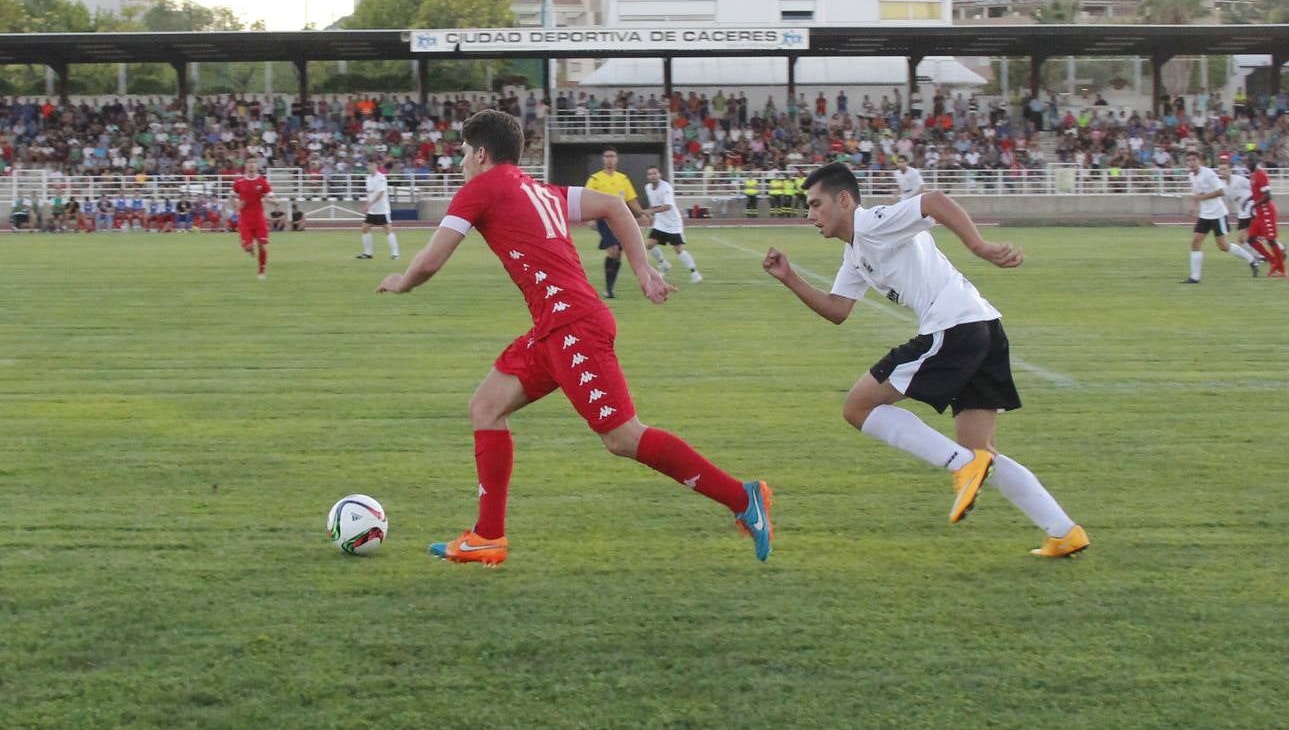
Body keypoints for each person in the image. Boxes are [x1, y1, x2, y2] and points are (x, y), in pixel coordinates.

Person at [377, 110, 771, 566]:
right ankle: (487, 536)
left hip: (573, 328)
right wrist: (642, 270)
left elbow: (430, 260)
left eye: (464, 153)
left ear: (481, 153)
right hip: (554, 328)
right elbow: (613, 206)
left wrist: (403, 281)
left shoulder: (480, 189)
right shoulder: (539, 190)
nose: (462, 162)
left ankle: (743, 497)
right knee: (486, 407)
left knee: (623, 437)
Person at [762, 162, 1088, 558]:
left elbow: (932, 201)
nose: (810, 215)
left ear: (844, 200)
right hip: (983, 327)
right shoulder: (856, 252)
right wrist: (790, 278)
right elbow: (837, 309)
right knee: (981, 451)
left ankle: (958, 465)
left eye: (816, 204)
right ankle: (1063, 530)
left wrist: (980, 247)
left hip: (954, 328)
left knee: (857, 407)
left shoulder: (873, 222)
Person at [1182, 151, 1258, 283]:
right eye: (1189, 160)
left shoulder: (1208, 174)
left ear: (1199, 161)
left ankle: (1252, 260)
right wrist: (1193, 206)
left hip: (1218, 214)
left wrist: (1202, 197)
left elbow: (1221, 191)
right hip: (1204, 214)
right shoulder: (1191, 176)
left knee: (1223, 246)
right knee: (1195, 243)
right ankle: (1195, 277)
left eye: (1194, 159)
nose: (1191, 163)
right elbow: (1197, 193)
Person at [584, 147, 644, 299]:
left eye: (612, 156)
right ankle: (609, 288)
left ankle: (609, 288)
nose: (610, 159)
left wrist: (641, 212)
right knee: (613, 251)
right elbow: (586, 198)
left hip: (621, 219)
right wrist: (590, 219)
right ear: (603, 159)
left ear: (617, 159)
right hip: (603, 218)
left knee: (618, 255)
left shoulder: (623, 179)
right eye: (607, 156)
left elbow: (631, 199)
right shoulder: (595, 179)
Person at [642, 165, 702, 283]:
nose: (653, 176)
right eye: (650, 174)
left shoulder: (666, 187)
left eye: (655, 173)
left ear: (659, 175)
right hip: (660, 223)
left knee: (678, 250)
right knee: (648, 245)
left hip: (673, 223)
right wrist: (650, 215)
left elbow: (668, 206)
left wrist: (651, 211)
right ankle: (663, 264)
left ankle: (695, 273)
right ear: (647, 176)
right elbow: (655, 205)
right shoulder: (648, 188)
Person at [231, 157, 280, 280]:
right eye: (249, 163)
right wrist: (236, 205)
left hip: (258, 218)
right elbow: (231, 196)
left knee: (262, 245)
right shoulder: (239, 182)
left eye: (253, 163)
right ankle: (249, 247)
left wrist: (273, 201)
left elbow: (273, 198)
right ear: (246, 166)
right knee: (248, 248)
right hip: (245, 220)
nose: (251, 165)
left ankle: (261, 270)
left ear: (257, 166)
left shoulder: (262, 182)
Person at [1245, 154, 1286, 277]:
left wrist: (1253, 205)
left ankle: (1282, 270)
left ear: (1256, 162)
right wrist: (1248, 199)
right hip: (1259, 213)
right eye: (1247, 162)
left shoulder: (1261, 174)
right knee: (1251, 240)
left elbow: (1267, 196)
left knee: (1271, 240)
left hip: (1266, 211)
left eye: (1250, 162)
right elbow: (1258, 193)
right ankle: (1273, 261)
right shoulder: (1253, 175)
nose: (1247, 164)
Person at [356, 159, 400, 260]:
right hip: (372, 210)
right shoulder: (368, 178)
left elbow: (381, 193)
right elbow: (369, 193)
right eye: (368, 165)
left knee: (387, 229)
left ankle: (395, 254)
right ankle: (368, 253)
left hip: (382, 210)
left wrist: (370, 204)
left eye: (372, 165)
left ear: (376, 166)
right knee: (364, 228)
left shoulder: (381, 178)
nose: (370, 167)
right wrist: (367, 205)